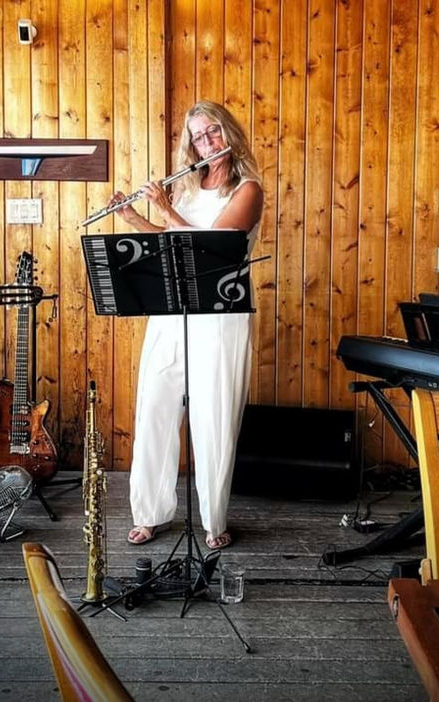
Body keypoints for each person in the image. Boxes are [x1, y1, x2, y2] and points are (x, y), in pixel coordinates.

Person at [108, 100, 263, 551]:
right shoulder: (189, 186)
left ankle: (213, 520)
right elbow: (170, 245)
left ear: (228, 132)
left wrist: (164, 209)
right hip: (172, 306)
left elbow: (210, 248)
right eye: (197, 136)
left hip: (219, 311)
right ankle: (149, 513)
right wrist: (135, 218)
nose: (206, 142)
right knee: (154, 408)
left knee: (213, 417)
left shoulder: (247, 189)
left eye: (213, 132)